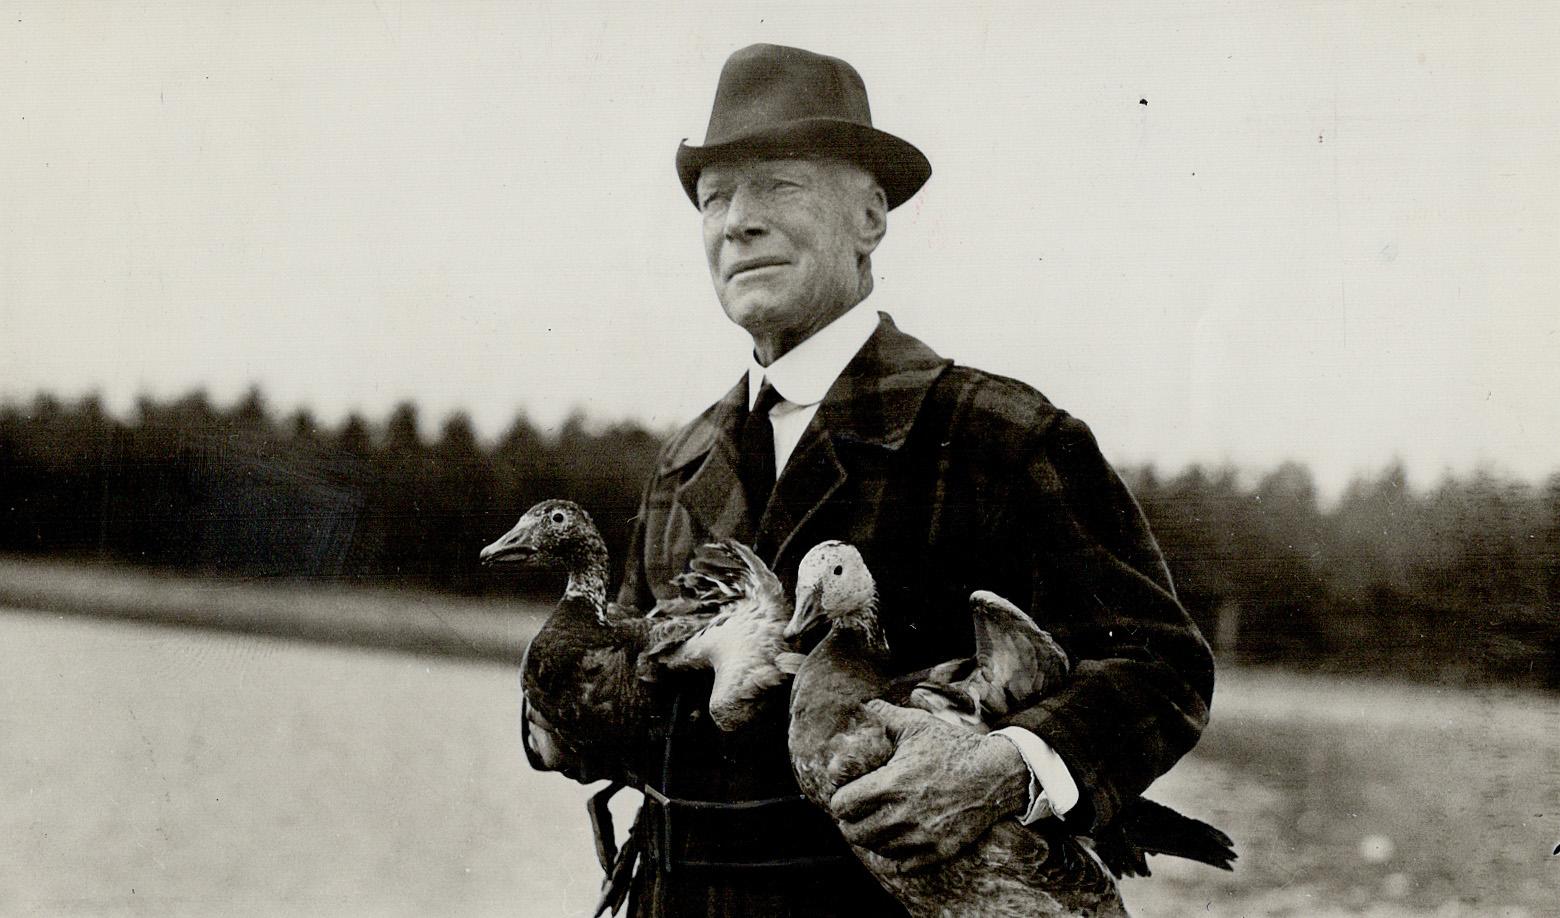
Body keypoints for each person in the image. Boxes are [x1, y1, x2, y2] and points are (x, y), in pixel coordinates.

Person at [560, 43, 1214, 917]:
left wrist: (1005, 768)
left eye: (779, 187)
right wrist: (564, 707)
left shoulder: (1001, 435)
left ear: (871, 216)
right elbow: (641, 705)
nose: (737, 223)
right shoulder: (682, 465)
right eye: (715, 198)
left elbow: (1160, 667)